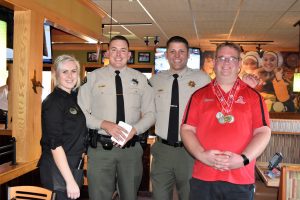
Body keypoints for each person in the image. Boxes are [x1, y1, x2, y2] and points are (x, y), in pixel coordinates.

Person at [181, 42, 271, 200]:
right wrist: (201, 155)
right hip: (204, 175)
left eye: (232, 59)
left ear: (239, 65)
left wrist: (243, 159)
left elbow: (263, 132)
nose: (226, 62)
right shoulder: (198, 96)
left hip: (240, 177)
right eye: (221, 58)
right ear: (215, 63)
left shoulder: (254, 97)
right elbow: (187, 129)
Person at [78, 35, 155, 200]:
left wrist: (134, 130)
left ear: (129, 55)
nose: (118, 54)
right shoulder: (92, 78)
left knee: (129, 196)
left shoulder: (141, 79)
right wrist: (104, 124)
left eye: (123, 50)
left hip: (131, 150)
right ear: (107, 53)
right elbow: (81, 113)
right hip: (100, 149)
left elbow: (151, 114)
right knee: (98, 196)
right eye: (114, 50)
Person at [149, 36, 211, 200]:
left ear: (188, 54)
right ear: (166, 55)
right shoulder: (155, 81)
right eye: (173, 51)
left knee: (190, 196)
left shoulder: (203, 79)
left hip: (190, 151)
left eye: (181, 51)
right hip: (162, 150)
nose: (177, 56)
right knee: (159, 196)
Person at [39, 55, 87, 200]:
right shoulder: (53, 102)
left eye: (73, 71)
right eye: (64, 71)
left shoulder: (72, 98)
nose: (70, 76)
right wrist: (70, 181)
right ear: (56, 74)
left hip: (72, 164)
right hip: (57, 168)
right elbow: (55, 145)